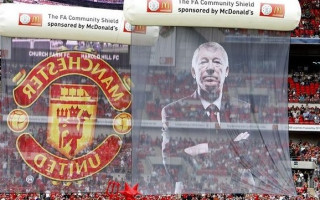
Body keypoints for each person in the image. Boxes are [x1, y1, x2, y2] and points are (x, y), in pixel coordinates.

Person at [161, 42, 256, 194]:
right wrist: (231, 146)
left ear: (226, 71)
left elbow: (250, 160)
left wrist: (199, 149)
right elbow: (173, 167)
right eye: (204, 62)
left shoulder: (242, 109)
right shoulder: (172, 111)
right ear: (193, 71)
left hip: (233, 192)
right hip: (192, 193)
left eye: (217, 62)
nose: (210, 68)